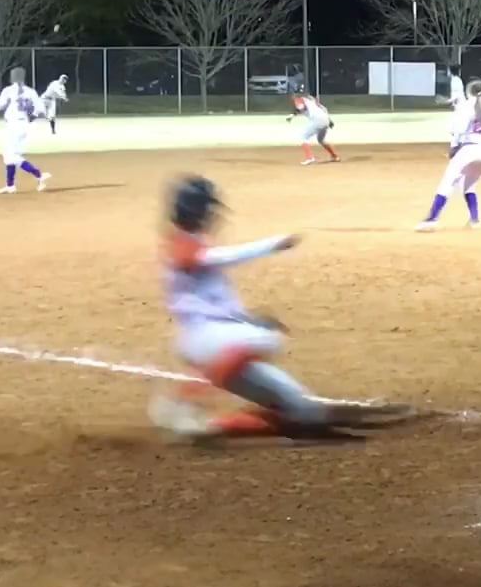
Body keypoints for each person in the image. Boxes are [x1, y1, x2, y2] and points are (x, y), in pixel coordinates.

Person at [146, 176, 404, 439]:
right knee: (266, 339)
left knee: (305, 411)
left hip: (219, 338)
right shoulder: (181, 242)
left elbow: (210, 296)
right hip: (204, 337)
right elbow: (205, 260)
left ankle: (205, 426)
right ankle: (183, 401)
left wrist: (246, 320)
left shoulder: (193, 242)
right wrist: (270, 245)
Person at [418, 80, 481, 230]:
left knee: (448, 182)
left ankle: (431, 219)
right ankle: (474, 220)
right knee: (469, 185)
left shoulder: (466, 106)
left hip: (470, 148)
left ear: (468, 91)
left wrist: (454, 147)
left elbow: (457, 129)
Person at [0, 67, 51, 194]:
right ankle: (10, 185)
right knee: (11, 155)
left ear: (12, 77)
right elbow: (40, 109)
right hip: (24, 124)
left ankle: (38, 175)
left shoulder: (8, 90)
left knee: (11, 156)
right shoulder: (31, 91)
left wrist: (8, 103)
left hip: (12, 125)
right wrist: (32, 117)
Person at [285, 91, 340, 165]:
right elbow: (323, 108)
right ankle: (334, 156)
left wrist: (292, 115)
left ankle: (310, 158)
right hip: (325, 119)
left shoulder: (299, 99)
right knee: (321, 140)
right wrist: (329, 120)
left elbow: (301, 107)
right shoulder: (311, 100)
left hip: (317, 120)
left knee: (304, 137)